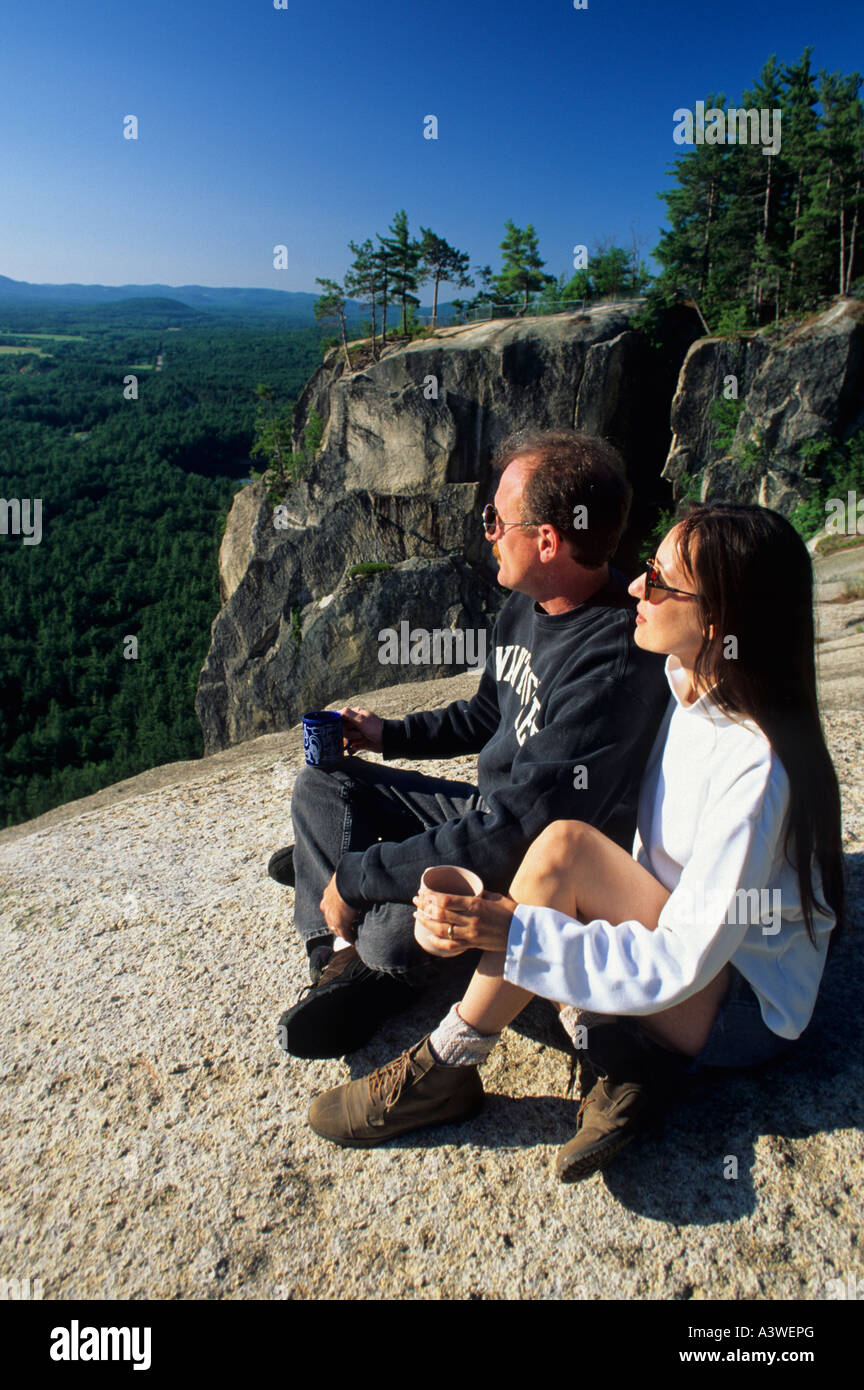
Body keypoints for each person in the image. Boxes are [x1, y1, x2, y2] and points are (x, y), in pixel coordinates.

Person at [305, 503, 845, 1181]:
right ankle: (617, 1057)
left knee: (558, 856)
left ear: (721, 621)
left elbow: (681, 961)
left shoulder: (754, 764)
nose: (635, 590)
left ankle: (445, 1065)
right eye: (648, 568)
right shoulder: (687, 688)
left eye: (662, 584)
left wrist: (515, 927)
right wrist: (508, 909)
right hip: (684, 946)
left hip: (738, 1003)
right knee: (556, 855)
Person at [275, 429, 671, 1060]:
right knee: (321, 784)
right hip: (484, 815)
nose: (486, 530)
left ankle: (349, 931)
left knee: (394, 937)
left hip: (527, 862)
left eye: (496, 519)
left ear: (547, 539)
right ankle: (336, 958)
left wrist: (355, 874)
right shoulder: (526, 604)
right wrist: (386, 735)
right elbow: (487, 712)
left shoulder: (612, 663)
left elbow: (512, 833)